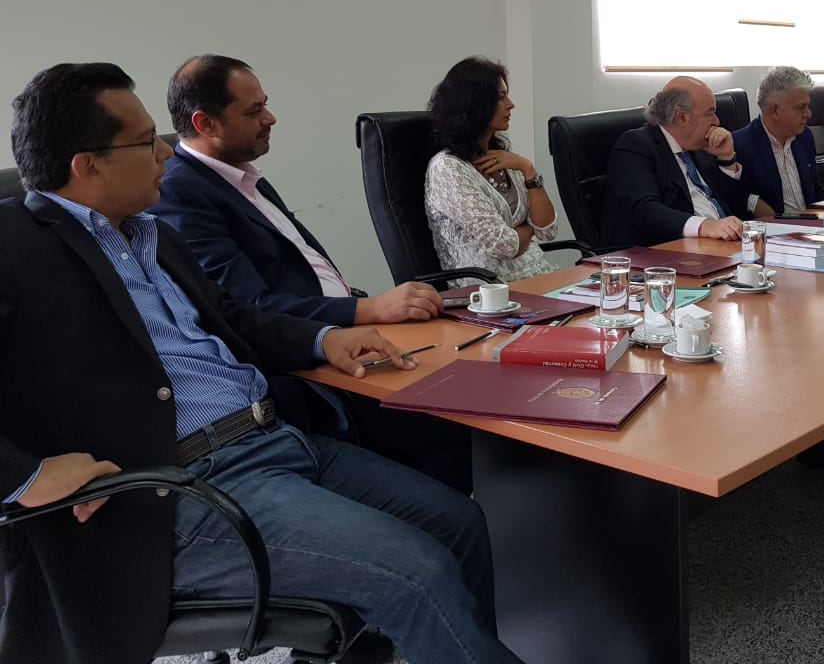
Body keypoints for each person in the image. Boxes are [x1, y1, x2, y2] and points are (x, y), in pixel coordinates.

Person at [0, 63, 523, 664]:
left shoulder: (149, 236)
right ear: (87, 166)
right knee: (415, 572)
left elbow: (232, 318)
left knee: (458, 523)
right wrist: (25, 477)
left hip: (272, 437)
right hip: (181, 487)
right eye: (147, 143)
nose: (167, 155)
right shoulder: (15, 243)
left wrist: (324, 338)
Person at [151, 55, 471, 493]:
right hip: (310, 371)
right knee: (455, 422)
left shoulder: (240, 175)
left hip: (348, 327)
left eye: (265, 104)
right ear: (205, 123)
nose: (270, 118)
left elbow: (299, 272)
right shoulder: (179, 193)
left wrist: (367, 307)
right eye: (254, 111)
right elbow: (248, 308)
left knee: (470, 372)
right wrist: (365, 309)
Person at [425, 57, 558, 284]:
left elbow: (547, 231)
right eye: (500, 97)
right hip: (486, 290)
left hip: (537, 276)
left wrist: (527, 168)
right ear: (474, 105)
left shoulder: (505, 159)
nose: (510, 104)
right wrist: (530, 229)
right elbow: (503, 245)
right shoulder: (447, 169)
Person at [602, 76, 755, 247]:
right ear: (681, 117)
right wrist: (705, 226)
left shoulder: (699, 147)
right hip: (670, 252)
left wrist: (726, 159)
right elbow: (644, 210)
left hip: (726, 245)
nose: (716, 121)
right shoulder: (636, 145)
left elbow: (734, 206)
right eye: (710, 113)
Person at [733, 66, 824, 215]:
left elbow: (816, 189)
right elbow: (731, 195)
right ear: (775, 111)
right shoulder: (740, 146)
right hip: (775, 228)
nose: (808, 114)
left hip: (812, 224)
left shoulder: (804, 137)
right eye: (801, 107)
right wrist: (752, 202)